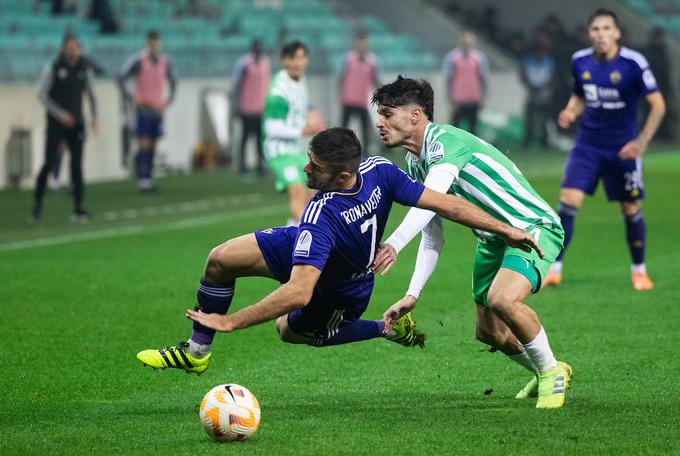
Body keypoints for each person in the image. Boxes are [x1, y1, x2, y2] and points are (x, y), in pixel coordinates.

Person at [136, 127, 543, 375]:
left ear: (343, 174)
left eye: (314, 167)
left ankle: (385, 329)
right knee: (220, 259)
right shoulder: (379, 171)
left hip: (341, 287)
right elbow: (447, 203)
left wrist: (232, 322)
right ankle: (196, 352)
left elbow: (299, 292)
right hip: (311, 245)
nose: (306, 171)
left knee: (289, 331)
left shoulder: (321, 214)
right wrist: (507, 228)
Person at [371, 76, 570, 409]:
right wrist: (412, 294)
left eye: (388, 114)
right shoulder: (414, 163)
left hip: (531, 227)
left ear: (415, 115)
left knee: (503, 299)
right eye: (379, 115)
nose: (380, 123)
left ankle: (551, 374)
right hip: (492, 241)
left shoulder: (446, 143)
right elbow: (432, 235)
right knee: (488, 332)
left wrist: (392, 243)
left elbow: (435, 196)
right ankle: (547, 368)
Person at [543, 9, 666, 290]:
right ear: (589, 34)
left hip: (623, 149)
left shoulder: (634, 63)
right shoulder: (580, 61)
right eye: (596, 29)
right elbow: (579, 96)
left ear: (617, 33)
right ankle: (555, 269)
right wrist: (571, 112)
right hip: (587, 145)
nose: (601, 34)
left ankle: (639, 271)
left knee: (630, 208)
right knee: (567, 204)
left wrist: (641, 142)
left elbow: (658, 105)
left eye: (606, 29)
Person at [32, 33, 97, 222]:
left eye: (75, 46)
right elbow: (41, 94)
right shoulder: (53, 68)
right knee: (48, 163)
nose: (72, 50)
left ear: (79, 48)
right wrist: (60, 114)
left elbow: (92, 95)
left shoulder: (85, 69)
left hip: (76, 123)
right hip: (56, 124)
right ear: (63, 48)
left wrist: (94, 118)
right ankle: (37, 205)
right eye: (69, 47)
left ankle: (78, 207)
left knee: (76, 165)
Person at [262, 41, 325, 226]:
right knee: (297, 192)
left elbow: (296, 113)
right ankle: (310, 239)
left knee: (312, 194)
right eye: (293, 58)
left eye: (302, 57)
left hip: (297, 151)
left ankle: (291, 238)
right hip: (279, 152)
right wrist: (304, 130)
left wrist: (310, 118)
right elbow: (271, 128)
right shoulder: (278, 92)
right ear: (284, 60)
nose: (298, 62)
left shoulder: (300, 80)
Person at [118, 30, 178, 192]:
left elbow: (173, 81)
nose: (154, 45)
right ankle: (143, 179)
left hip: (157, 109)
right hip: (143, 109)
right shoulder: (138, 61)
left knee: (153, 144)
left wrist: (170, 99)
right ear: (147, 43)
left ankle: (149, 178)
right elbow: (121, 78)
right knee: (143, 143)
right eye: (151, 42)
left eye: (156, 42)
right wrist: (131, 97)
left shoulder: (165, 61)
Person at [231, 39, 271, 177]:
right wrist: (236, 105)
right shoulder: (244, 63)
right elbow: (237, 85)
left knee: (261, 140)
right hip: (247, 108)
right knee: (245, 138)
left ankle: (261, 167)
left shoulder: (266, 63)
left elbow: (267, 85)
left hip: (261, 108)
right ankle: (242, 167)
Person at [339, 30, 380, 154]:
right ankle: (341, 150)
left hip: (363, 101)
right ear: (354, 42)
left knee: (365, 129)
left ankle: (365, 153)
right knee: (344, 129)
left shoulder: (373, 61)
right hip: (348, 99)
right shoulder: (347, 59)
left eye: (363, 41)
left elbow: (376, 80)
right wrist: (340, 96)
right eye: (358, 41)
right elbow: (341, 78)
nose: (361, 44)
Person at [442, 30, 488, 135]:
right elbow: (448, 80)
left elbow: (483, 79)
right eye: (465, 39)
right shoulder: (451, 57)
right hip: (458, 100)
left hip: (474, 99)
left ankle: (472, 151)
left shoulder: (479, 57)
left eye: (469, 39)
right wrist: (449, 101)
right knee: (455, 131)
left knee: (473, 130)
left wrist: (483, 97)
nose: (467, 42)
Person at [520, 29, 555, 148]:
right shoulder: (528, 61)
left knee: (544, 119)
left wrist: (543, 86)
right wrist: (530, 85)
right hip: (532, 92)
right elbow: (523, 75)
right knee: (530, 119)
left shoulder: (549, 62)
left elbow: (552, 77)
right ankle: (528, 141)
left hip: (543, 92)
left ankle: (543, 141)